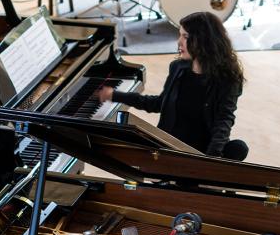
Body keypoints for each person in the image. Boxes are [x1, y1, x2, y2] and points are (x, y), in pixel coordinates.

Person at [97, 11, 248, 160]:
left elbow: (223, 121)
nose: (179, 42)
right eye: (180, 35)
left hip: (198, 152)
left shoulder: (227, 79)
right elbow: (159, 103)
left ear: (203, 41)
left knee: (239, 148)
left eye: (185, 37)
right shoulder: (178, 68)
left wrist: (210, 160)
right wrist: (115, 95)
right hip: (168, 146)